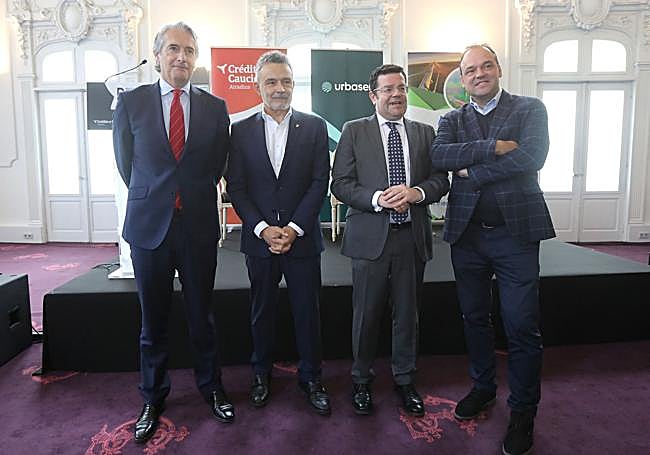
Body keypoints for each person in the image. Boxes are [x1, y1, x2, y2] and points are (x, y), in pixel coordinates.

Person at [430, 44, 555, 455]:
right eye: (470, 70)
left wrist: (472, 170)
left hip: (515, 235)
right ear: (462, 78)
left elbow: (532, 157)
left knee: (521, 324)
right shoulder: (451, 119)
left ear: (498, 69)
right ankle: (483, 387)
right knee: (474, 318)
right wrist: (495, 148)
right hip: (468, 236)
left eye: (486, 66)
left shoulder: (529, 109)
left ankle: (523, 411)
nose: (479, 74)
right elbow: (440, 155)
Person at [112, 22, 233, 444]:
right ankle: (152, 396)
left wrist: (189, 195)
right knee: (153, 319)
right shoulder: (131, 102)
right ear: (158, 55)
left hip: (197, 226)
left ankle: (211, 387)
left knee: (202, 315)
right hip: (150, 227)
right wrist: (158, 197)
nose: (182, 57)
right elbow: (126, 164)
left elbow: (217, 164)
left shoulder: (215, 108)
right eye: (174, 49)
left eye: (190, 50)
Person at [331, 64, 450, 417]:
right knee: (366, 314)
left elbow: (440, 180)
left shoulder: (425, 133)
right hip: (370, 239)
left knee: (407, 315)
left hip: (411, 238)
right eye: (388, 89)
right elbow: (341, 184)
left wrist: (416, 193)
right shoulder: (354, 131)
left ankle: (405, 379)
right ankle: (361, 380)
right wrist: (377, 199)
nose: (396, 94)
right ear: (373, 96)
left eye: (401, 88)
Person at [226, 51, 331, 415]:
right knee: (262, 312)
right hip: (260, 242)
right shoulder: (239, 131)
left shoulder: (314, 127)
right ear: (258, 87)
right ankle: (261, 374)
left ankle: (312, 378)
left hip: (302, 239)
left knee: (308, 313)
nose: (279, 88)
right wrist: (262, 229)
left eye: (285, 81)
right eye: (271, 82)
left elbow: (319, 183)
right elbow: (237, 187)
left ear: (293, 85)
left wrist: (293, 228)